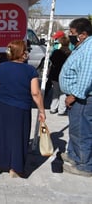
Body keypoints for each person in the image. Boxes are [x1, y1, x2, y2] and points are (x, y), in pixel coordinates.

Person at [0, 40, 46, 178]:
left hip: (3, 105)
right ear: (22, 53)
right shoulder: (30, 70)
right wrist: (42, 111)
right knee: (20, 137)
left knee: (0, 135)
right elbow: (35, 93)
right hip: (21, 108)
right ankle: (16, 168)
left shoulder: (1, 67)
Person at [59, 17, 92, 177]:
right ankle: (73, 155)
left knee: (82, 131)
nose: (70, 36)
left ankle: (84, 165)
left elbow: (87, 76)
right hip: (76, 97)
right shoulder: (82, 46)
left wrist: (74, 95)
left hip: (82, 98)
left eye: (72, 33)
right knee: (75, 129)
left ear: (83, 34)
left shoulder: (89, 48)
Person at [48, 35, 71, 115]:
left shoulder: (56, 52)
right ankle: (61, 110)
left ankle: (53, 108)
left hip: (55, 74)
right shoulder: (70, 53)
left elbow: (51, 59)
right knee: (63, 93)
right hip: (65, 75)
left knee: (55, 92)